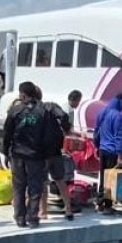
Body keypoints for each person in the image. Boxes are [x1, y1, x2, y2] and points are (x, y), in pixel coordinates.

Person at [1, 81, 58, 228]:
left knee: (19, 187)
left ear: (22, 94)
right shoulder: (43, 112)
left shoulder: (15, 111)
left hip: (17, 155)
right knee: (35, 187)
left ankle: (20, 218)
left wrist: (5, 152)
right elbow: (49, 137)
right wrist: (48, 156)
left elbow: (7, 133)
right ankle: (33, 217)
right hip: (36, 156)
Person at [39, 90, 74, 221]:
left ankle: (43, 212)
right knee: (60, 181)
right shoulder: (52, 106)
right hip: (56, 150)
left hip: (43, 152)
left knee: (43, 182)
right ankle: (68, 209)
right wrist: (66, 129)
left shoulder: (35, 110)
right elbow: (64, 116)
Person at [93, 93, 122, 213]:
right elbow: (119, 137)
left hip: (102, 149)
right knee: (110, 180)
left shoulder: (101, 112)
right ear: (121, 102)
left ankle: (99, 202)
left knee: (103, 177)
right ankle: (108, 206)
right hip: (112, 152)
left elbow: (96, 132)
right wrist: (120, 155)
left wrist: (97, 147)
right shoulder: (118, 116)